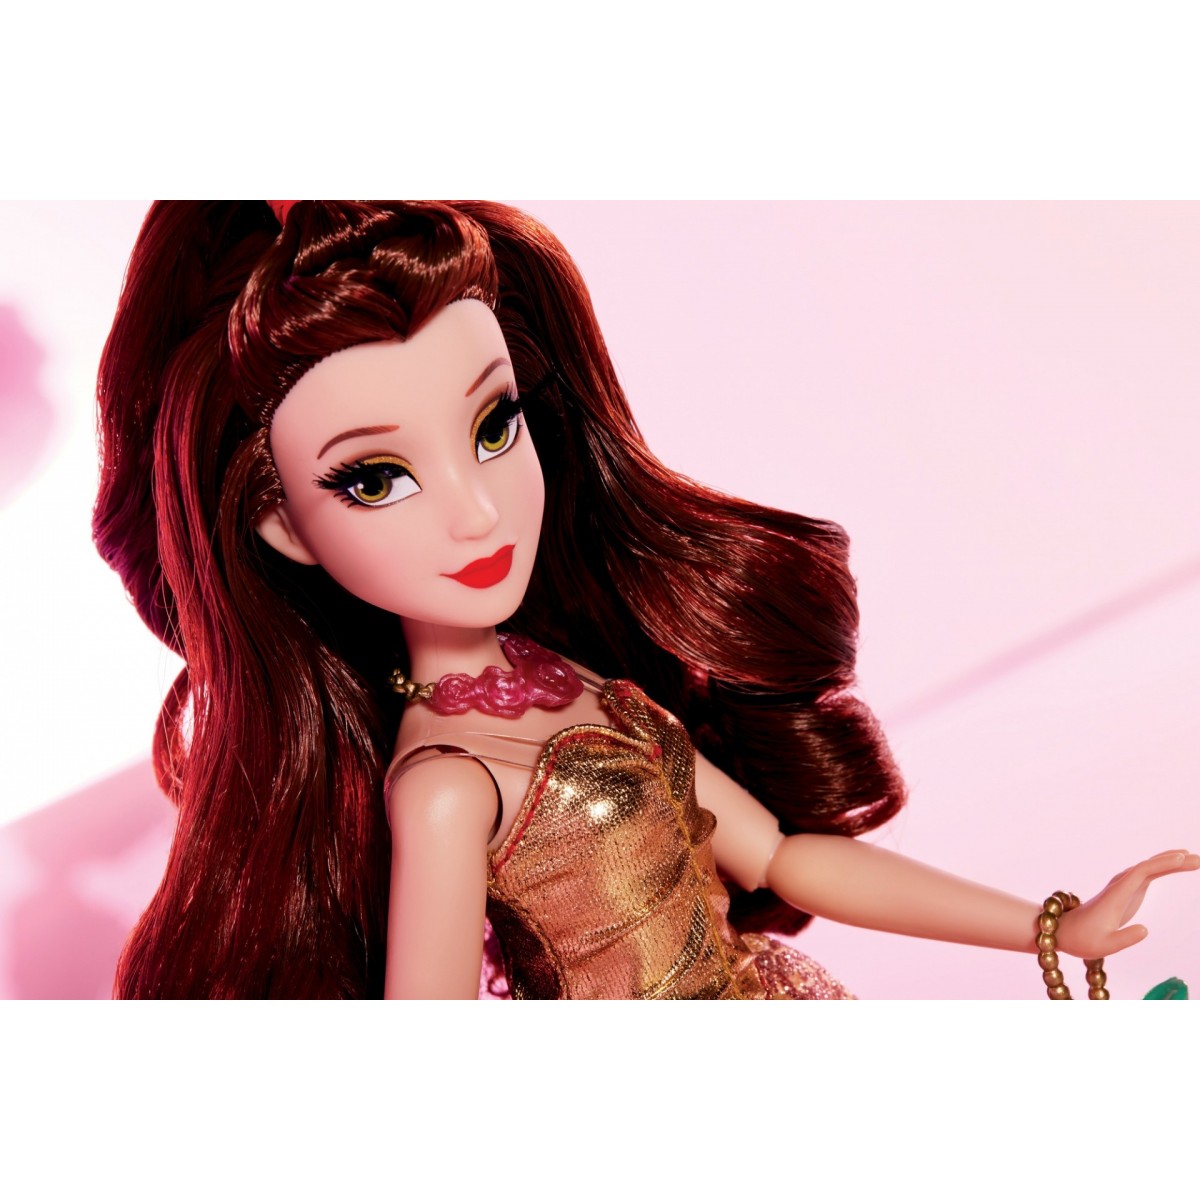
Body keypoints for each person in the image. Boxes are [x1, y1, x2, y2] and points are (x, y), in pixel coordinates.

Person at [93, 201, 1197, 999]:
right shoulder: (442, 787)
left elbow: (781, 857)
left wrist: (1051, 926)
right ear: (284, 526)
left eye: (493, 426)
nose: (476, 513)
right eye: (376, 479)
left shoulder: (568, 675)